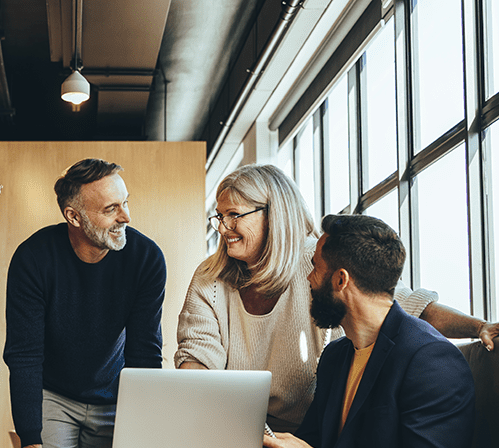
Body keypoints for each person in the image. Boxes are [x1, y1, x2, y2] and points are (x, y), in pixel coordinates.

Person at [175, 164, 497, 433]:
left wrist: (478, 326)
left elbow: (400, 306)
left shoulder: (316, 262)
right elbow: (197, 363)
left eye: (233, 215)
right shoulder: (211, 279)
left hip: (314, 437)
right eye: (219, 216)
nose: (223, 227)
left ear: (273, 215)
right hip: (236, 430)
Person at [261, 214, 474, 448]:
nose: (309, 280)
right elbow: (309, 444)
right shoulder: (336, 356)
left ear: (340, 280)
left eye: (315, 268)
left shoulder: (432, 360)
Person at [2, 158, 167, 448]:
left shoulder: (147, 259)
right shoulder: (33, 258)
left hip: (117, 395)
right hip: (55, 395)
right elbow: (24, 354)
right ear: (74, 216)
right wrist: (30, 438)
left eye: (125, 203)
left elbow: (145, 351)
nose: (126, 217)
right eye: (111, 209)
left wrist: (145, 428)